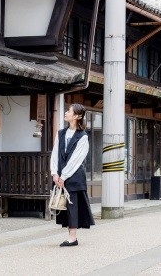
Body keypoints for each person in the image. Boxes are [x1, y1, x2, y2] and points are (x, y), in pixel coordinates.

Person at [50, 103, 95, 247]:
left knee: (73, 206)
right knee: (65, 206)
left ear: (76, 116)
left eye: (68, 111)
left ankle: (72, 237)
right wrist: (54, 173)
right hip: (60, 176)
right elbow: (55, 154)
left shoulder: (83, 137)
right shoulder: (61, 133)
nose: (66, 112)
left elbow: (77, 159)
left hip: (74, 177)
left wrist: (63, 176)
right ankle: (71, 237)